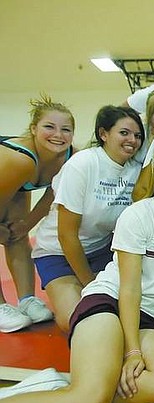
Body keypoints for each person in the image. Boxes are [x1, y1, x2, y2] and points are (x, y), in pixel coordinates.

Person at [0, 135, 154, 403]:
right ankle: (84, 392)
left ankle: (68, 386)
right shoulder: (139, 214)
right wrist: (133, 351)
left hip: (150, 319)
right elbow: (129, 289)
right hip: (109, 303)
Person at [31, 106, 144, 332]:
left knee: (124, 311)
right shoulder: (82, 164)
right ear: (103, 134)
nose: (132, 140)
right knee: (77, 319)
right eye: (124, 133)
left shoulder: (136, 170)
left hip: (102, 251)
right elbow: (66, 234)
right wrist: (90, 284)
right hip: (59, 253)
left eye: (138, 135)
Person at [0, 95, 74, 332]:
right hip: (8, 173)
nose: (58, 135)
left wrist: (26, 223)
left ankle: (26, 299)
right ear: (33, 129)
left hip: (14, 181)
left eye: (66, 129)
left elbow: (53, 195)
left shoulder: (70, 157)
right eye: (49, 127)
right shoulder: (21, 159)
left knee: (17, 235)